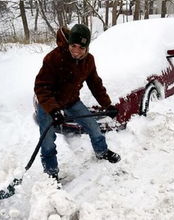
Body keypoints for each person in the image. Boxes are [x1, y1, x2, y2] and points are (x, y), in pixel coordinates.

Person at [34, 24, 121, 181]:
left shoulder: (88, 61)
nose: (76, 50)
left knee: (93, 127)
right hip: (48, 103)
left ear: (87, 47)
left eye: (81, 47)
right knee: (47, 141)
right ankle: (51, 173)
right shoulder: (53, 58)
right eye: (73, 45)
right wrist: (53, 110)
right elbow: (41, 87)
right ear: (68, 44)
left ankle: (102, 151)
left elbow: (95, 84)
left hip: (71, 101)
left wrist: (107, 105)